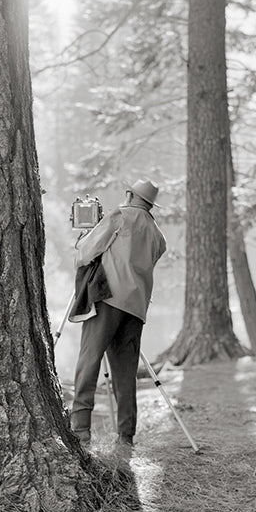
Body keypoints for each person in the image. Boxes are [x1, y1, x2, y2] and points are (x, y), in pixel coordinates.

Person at [70, 178, 167, 448]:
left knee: (89, 359)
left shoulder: (119, 215)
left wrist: (80, 244)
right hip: (136, 307)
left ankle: (80, 426)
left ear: (129, 195)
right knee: (126, 372)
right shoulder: (158, 236)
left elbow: (87, 253)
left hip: (108, 298)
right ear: (150, 205)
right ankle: (126, 435)